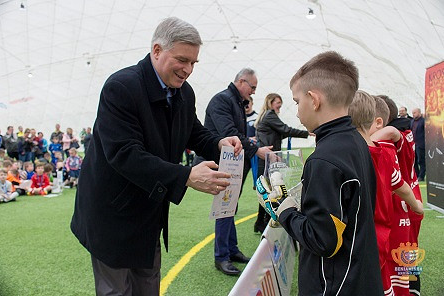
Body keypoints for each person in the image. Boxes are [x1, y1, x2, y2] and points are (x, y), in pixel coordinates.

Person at [70, 17, 242, 296]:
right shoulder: (121, 87)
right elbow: (124, 154)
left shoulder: (184, 92)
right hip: (112, 213)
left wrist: (219, 144)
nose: (187, 70)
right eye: (182, 60)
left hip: (149, 210)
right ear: (157, 50)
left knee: (148, 284)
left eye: (193, 63)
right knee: (116, 290)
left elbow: (194, 132)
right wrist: (186, 176)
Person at [274, 51, 383, 295]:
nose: (297, 110)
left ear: (313, 99)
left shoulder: (324, 159)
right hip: (361, 277)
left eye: (296, 101)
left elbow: (323, 240)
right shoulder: (356, 141)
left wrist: (286, 211)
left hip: (335, 285)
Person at [349, 91, 423, 294]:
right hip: (406, 215)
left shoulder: (383, 148)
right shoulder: (400, 137)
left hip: (396, 220)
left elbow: (398, 183)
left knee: (397, 273)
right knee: (406, 269)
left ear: (378, 121)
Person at [200, 68, 272, 276]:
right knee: (225, 207)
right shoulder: (222, 100)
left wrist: (248, 143)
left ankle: (231, 250)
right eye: (253, 87)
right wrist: (256, 150)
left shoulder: (235, 101)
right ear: (242, 82)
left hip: (232, 161)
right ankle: (221, 256)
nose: (254, 92)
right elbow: (229, 133)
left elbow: (236, 134)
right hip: (221, 161)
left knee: (230, 206)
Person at [371, 96, 423, 295]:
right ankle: (413, 288)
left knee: (400, 263)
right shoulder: (405, 133)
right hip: (408, 212)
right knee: (408, 257)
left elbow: (391, 132)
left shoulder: (390, 140)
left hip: (401, 214)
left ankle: (410, 290)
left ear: (379, 121)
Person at [253, 93, 310, 233]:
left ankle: (261, 222)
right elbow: (286, 130)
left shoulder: (265, 116)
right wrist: (307, 133)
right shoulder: (270, 115)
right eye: (278, 102)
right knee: (270, 191)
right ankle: (264, 221)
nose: (280, 105)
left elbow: (282, 132)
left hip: (266, 157)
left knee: (266, 191)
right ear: (271, 102)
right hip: (270, 157)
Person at [411, 107, 426, 181]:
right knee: (414, 161)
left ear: (419, 113)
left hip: (421, 144)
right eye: (412, 113)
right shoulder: (412, 121)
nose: (413, 114)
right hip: (414, 144)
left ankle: (422, 176)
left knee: (421, 161)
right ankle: (417, 175)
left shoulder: (423, 121)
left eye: (414, 113)